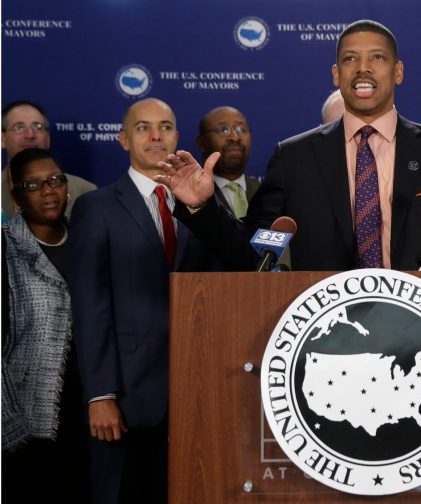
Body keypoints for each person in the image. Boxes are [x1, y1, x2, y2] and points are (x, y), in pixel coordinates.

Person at [161, 19, 421, 272]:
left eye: (376, 58)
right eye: (349, 59)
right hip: (327, 337)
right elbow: (252, 255)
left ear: (397, 72)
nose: (362, 68)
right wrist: (201, 208)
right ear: (335, 73)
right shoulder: (295, 157)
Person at [67, 98, 217, 504]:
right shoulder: (95, 208)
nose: (155, 136)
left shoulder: (199, 203)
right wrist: (100, 395)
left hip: (193, 391)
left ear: (177, 137)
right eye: (143, 127)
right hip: (126, 395)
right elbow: (89, 306)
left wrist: (201, 207)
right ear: (123, 139)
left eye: (165, 127)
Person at [2, 148, 89, 502]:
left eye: (55, 181)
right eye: (34, 184)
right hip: (25, 423)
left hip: (87, 416)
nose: (48, 191)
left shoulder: (87, 242)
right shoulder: (7, 250)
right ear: (17, 197)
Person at [2, 100, 96, 220]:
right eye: (19, 127)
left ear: (48, 139)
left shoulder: (84, 192)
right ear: (2, 139)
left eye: (38, 127)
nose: (30, 135)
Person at [196, 106, 260, 219]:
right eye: (223, 130)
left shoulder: (266, 192)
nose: (235, 137)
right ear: (202, 143)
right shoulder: (192, 196)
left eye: (241, 129)